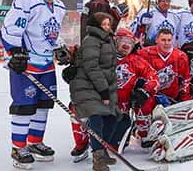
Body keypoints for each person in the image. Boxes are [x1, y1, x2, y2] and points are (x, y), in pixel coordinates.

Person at [1, 0, 68, 169]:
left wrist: (60, 48)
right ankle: (18, 147)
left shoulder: (60, 7)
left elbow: (52, 33)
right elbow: (11, 27)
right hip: (26, 63)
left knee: (43, 104)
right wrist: (15, 52)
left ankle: (35, 142)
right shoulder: (27, 1)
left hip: (46, 64)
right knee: (24, 106)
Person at [68, 28, 160, 162]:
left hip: (119, 111)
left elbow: (154, 78)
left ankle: (139, 132)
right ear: (115, 40)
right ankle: (81, 146)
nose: (127, 45)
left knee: (112, 150)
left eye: (131, 42)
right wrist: (72, 72)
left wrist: (145, 91)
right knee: (76, 107)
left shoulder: (136, 61)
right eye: (124, 40)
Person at [69, 12, 120, 171]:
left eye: (108, 24)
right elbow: (92, 67)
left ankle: (102, 149)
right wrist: (104, 90)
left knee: (113, 117)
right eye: (104, 24)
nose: (107, 27)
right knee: (97, 118)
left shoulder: (108, 39)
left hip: (103, 85)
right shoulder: (91, 40)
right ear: (96, 25)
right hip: (87, 85)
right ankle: (97, 156)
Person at [137, 29, 191, 146]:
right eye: (163, 40)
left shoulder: (180, 56)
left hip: (171, 96)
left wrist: (184, 98)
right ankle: (145, 136)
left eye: (169, 40)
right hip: (150, 94)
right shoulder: (144, 54)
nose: (166, 43)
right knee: (144, 105)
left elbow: (185, 79)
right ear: (156, 40)